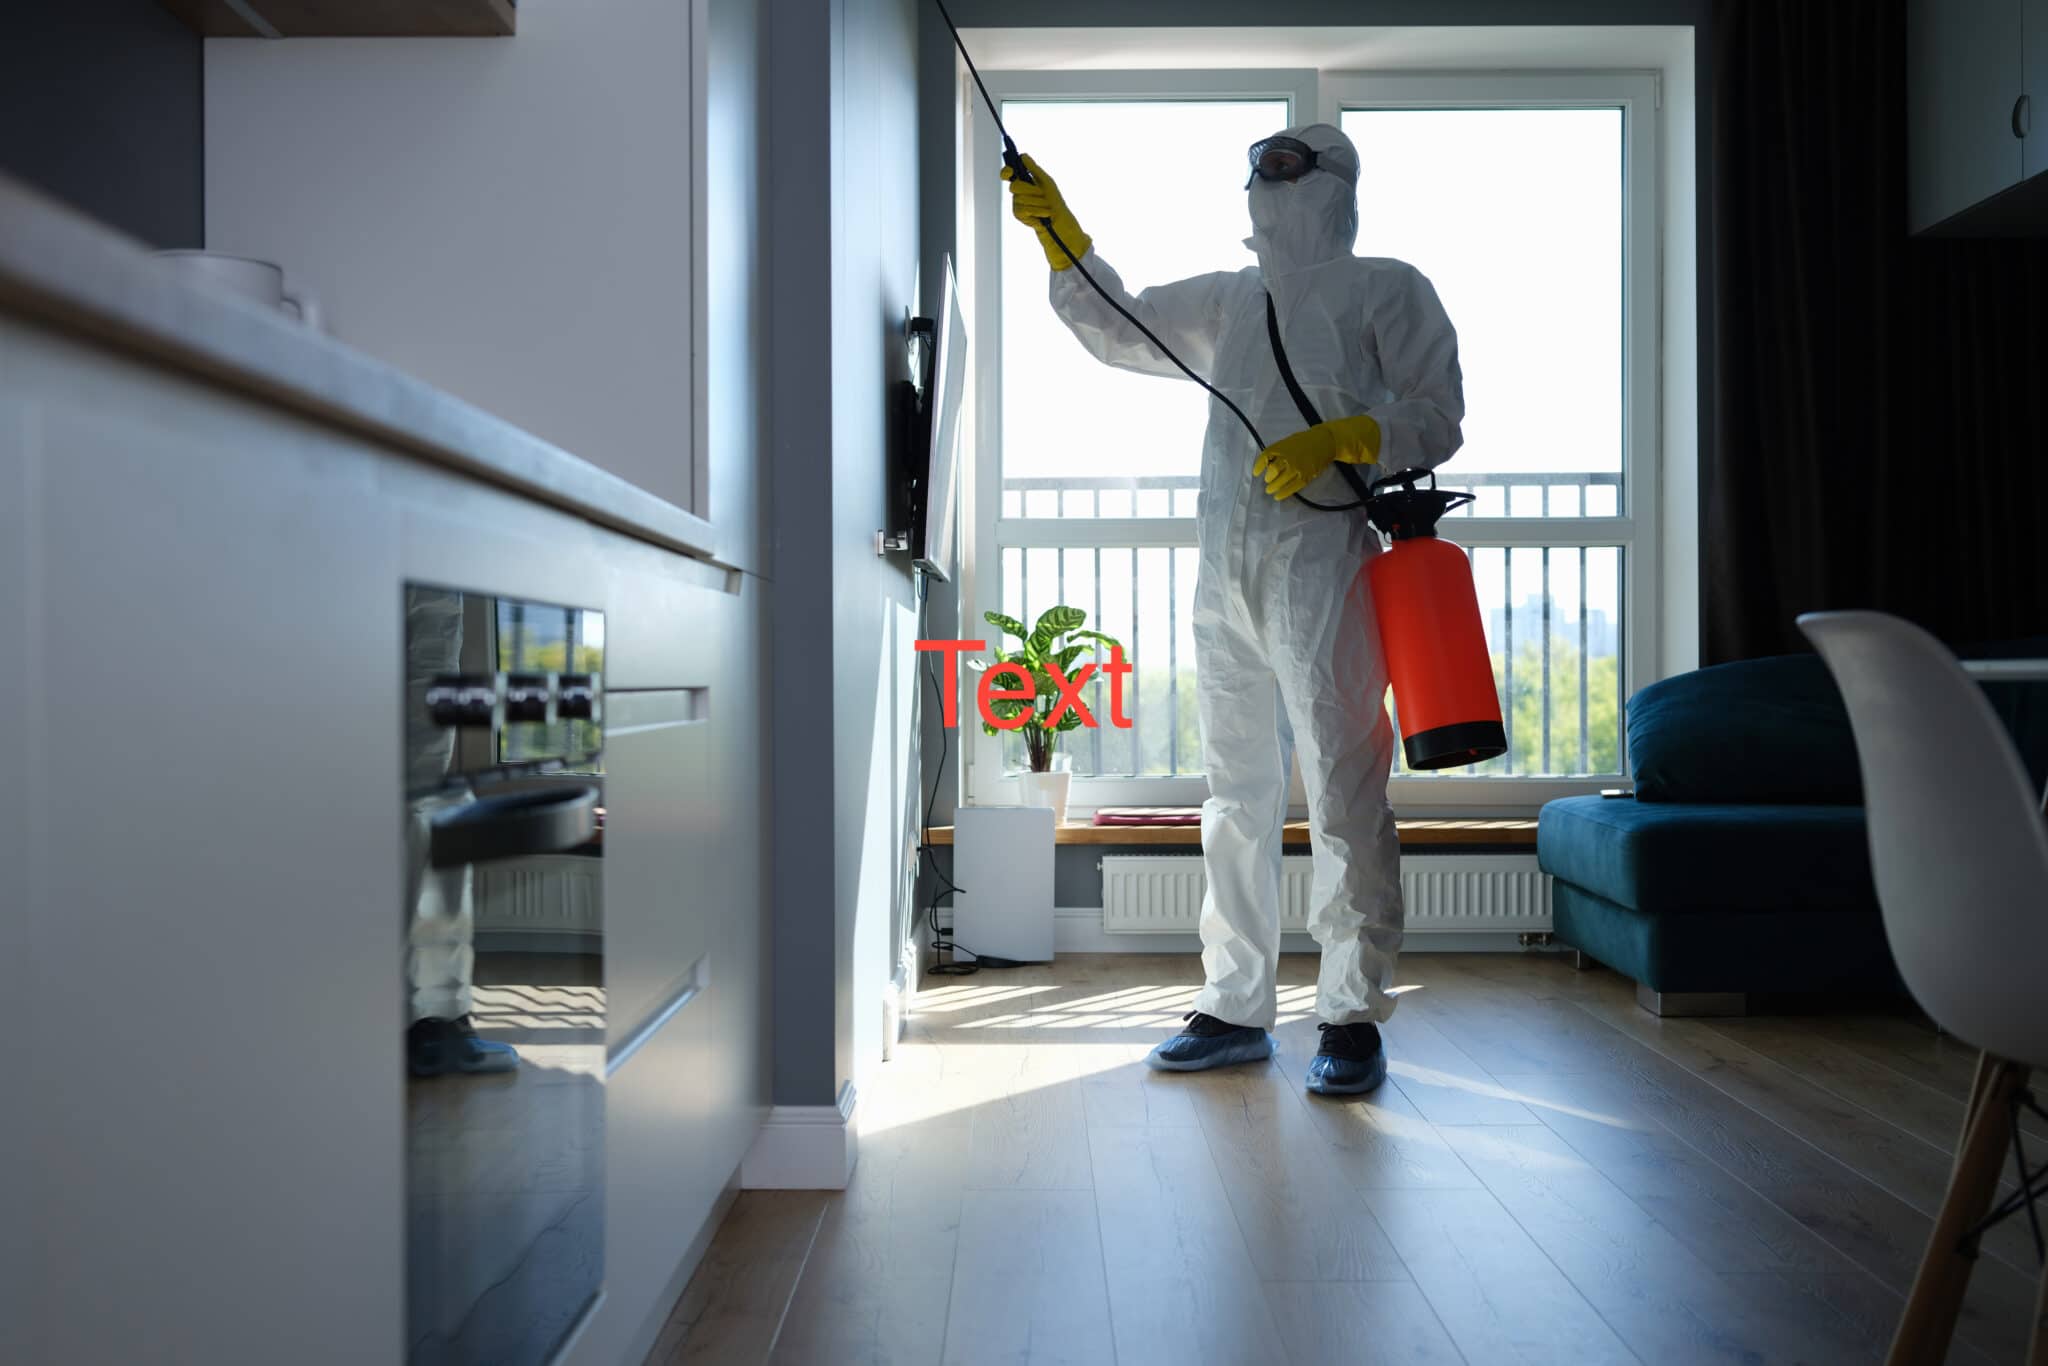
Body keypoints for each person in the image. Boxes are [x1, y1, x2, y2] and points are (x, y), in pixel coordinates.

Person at [1003, 124, 1463, 1095]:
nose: (1274, 179)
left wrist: (1346, 434)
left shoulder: (1387, 285)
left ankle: (1348, 1013)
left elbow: (1438, 409)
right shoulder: (1225, 296)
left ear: (1333, 184)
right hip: (1222, 570)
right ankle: (1233, 1004)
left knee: (1341, 789)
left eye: (1293, 165)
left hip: (1322, 563)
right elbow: (1118, 325)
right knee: (1234, 795)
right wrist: (1060, 234)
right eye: (1263, 166)